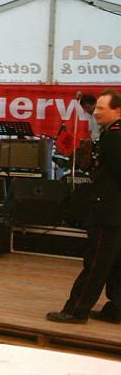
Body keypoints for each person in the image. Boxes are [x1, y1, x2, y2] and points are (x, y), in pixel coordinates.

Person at [46, 89, 121, 324]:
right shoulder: (111, 133)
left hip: (108, 209)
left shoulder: (114, 137)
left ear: (117, 111)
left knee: (96, 263)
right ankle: (116, 309)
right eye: (96, 108)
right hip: (115, 210)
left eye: (101, 108)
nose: (96, 112)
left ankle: (76, 310)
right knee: (116, 263)